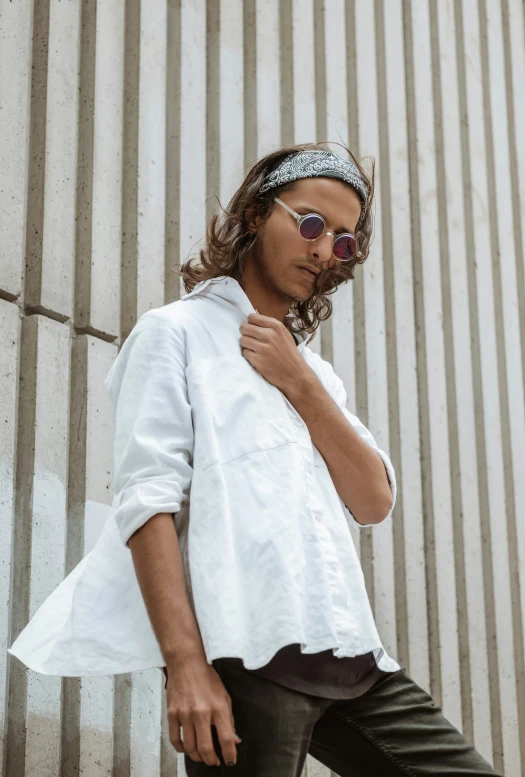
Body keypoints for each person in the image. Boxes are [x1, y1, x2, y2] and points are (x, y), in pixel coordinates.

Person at [8, 143, 503, 776]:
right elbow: (147, 500)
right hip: (246, 662)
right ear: (254, 215)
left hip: (352, 655)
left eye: (344, 242)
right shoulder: (175, 334)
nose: (325, 250)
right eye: (312, 223)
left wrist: (300, 383)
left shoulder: (314, 372)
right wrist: (188, 666)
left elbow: (373, 498)